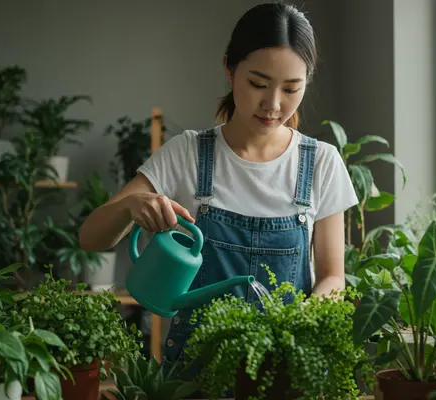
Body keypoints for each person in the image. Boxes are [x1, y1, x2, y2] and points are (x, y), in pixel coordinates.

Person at [79, 0, 358, 390]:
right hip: (195, 379)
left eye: (291, 88)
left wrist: (301, 325)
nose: (273, 105)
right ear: (229, 69)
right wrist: (130, 206)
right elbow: (91, 238)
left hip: (282, 377)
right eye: (258, 84)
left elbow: (333, 277)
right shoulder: (188, 154)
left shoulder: (322, 163)